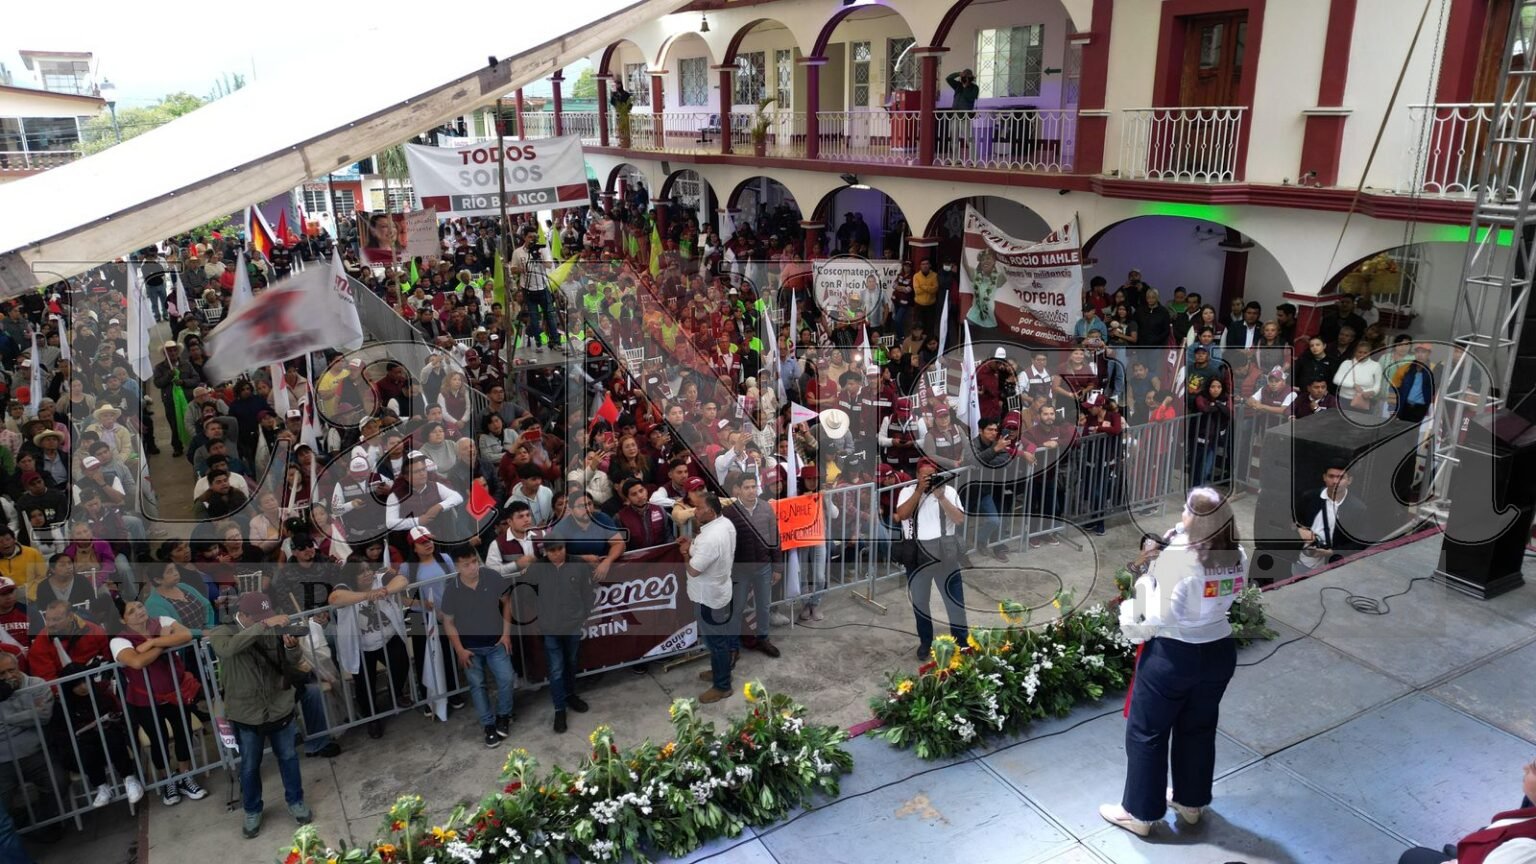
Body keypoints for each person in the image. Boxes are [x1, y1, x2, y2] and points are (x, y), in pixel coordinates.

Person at [1101, 487, 1248, 837]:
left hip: (1173, 655)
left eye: (1185, 511)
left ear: (1194, 518)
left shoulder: (1179, 557)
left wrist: (1133, 602)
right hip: (1217, 652)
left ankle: (1139, 813)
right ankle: (1190, 802)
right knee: (1197, 730)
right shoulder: (1236, 553)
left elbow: (1149, 620)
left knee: (1147, 733)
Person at [206, 592, 314, 839]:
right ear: (243, 615)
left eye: (267, 615)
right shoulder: (222, 631)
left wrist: (291, 647)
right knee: (250, 765)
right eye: (259, 617)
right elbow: (228, 649)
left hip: (278, 703)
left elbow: (290, 661)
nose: (267, 620)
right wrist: (264, 625)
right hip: (246, 712)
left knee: (288, 756)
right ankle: (252, 810)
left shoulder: (271, 627)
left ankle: (296, 801)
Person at [110, 601, 209, 807]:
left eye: (139, 606)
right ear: (122, 619)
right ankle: (168, 780)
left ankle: (185, 775)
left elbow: (187, 635)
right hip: (145, 700)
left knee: (183, 732)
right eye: (132, 611)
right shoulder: (119, 640)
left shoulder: (162, 621)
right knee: (158, 739)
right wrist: (163, 640)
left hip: (176, 692)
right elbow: (137, 662)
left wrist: (152, 643)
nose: (139, 612)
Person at [893, 458, 969, 659]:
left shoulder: (949, 492)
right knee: (920, 603)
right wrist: (919, 492)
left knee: (955, 601)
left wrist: (941, 498)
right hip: (918, 556)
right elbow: (902, 514)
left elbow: (959, 519)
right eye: (924, 476)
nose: (928, 479)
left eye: (932, 476)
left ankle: (962, 642)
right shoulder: (907, 492)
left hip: (945, 554)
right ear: (917, 476)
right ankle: (926, 642)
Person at [439, 549, 514, 749]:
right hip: (469, 647)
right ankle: (488, 725)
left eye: (474, 562)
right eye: (467, 564)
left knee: (506, 678)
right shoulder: (452, 588)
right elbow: (448, 622)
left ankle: (503, 716)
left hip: (496, 642)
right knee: (477, 686)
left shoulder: (491, 576)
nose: (473, 568)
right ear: (457, 567)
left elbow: (507, 602)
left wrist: (506, 633)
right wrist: (459, 650)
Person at [1396, 759, 1536, 863]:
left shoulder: (1524, 849)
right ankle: (1472, 852)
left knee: (1414, 857)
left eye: (1535, 768)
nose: (1525, 767)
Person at [522, 535, 594, 733]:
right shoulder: (537, 569)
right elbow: (525, 594)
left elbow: (588, 592)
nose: (557, 553)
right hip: (550, 628)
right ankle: (559, 709)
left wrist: (584, 615)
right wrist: (536, 619)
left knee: (571, 663)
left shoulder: (578, 564)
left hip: (572, 626)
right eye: (552, 551)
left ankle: (571, 695)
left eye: (560, 549)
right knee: (556, 669)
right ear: (546, 551)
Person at [677, 493, 736, 703]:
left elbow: (693, 570)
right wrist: (692, 544)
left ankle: (722, 685)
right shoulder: (725, 524)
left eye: (699, 508)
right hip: (719, 591)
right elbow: (706, 550)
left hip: (708, 597)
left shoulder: (711, 538)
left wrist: (685, 553)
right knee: (719, 640)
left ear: (710, 512)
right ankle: (720, 671)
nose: (695, 511)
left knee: (716, 642)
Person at [722, 471, 781, 658]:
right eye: (746, 487)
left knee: (764, 605)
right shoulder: (729, 513)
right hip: (739, 570)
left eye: (753, 487)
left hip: (763, 567)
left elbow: (775, 539)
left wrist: (777, 567)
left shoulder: (766, 508)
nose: (750, 491)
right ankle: (732, 646)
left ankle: (763, 638)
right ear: (738, 489)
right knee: (736, 608)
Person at [1294, 462, 1367, 574]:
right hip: (1302, 562)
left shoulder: (1358, 509)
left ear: (1349, 480)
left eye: (1341, 477)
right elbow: (1291, 520)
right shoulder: (1309, 497)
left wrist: (1332, 552)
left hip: (1333, 570)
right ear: (1324, 477)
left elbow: (1361, 541)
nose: (1335, 482)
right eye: (1331, 476)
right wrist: (1300, 530)